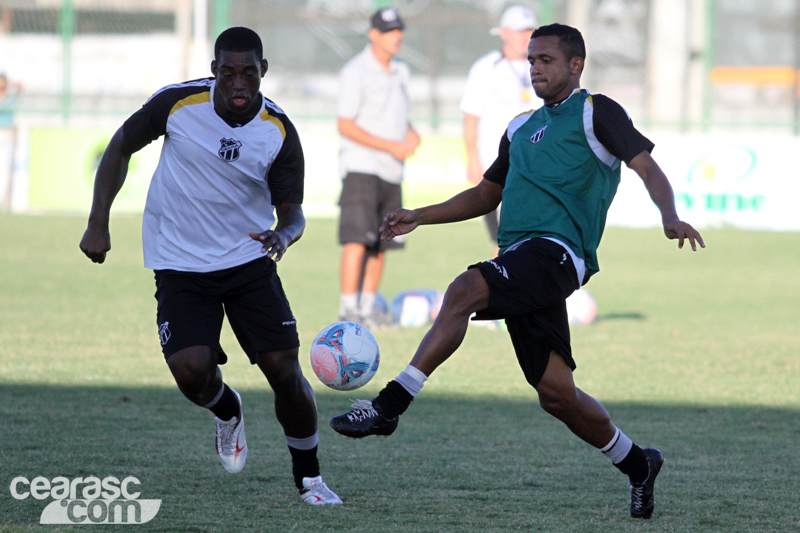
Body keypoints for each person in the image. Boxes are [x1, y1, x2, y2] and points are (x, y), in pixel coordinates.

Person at [330, 23, 706, 519]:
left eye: (546, 60)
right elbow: (486, 195)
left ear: (576, 65)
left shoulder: (596, 111)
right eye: (531, 60)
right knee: (556, 395)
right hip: (523, 259)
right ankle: (639, 463)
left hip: (558, 253)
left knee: (464, 289)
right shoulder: (520, 127)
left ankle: (388, 406)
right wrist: (420, 215)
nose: (535, 68)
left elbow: (646, 166)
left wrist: (669, 214)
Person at [79, 27, 341, 505]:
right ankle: (226, 408)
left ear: (263, 71)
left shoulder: (278, 131)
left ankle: (310, 479)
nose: (238, 83)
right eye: (229, 72)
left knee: (284, 370)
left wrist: (282, 235)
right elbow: (119, 147)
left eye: (249, 73)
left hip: (247, 260)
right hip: (179, 261)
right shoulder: (178, 103)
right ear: (214, 70)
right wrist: (98, 223)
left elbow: (293, 212)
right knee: (191, 372)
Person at [336, 7, 420, 326]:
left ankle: (369, 307)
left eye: (398, 30)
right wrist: (390, 145)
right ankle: (348, 308)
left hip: (392, 170)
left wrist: (412, 135)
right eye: (388, 31)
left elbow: (399, 118)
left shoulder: (401, 71)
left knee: (383, 242)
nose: (395, 36)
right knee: (357, 240)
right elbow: (345, 124)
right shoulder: (355, 71)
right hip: (362, 167)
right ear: (373, 34)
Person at [461, 5, 542, 253]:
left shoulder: (542, 66)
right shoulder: (487, 67)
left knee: (529, 236)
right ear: (504, 33)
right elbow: (471, 117)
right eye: (519, 31)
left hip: (534, 165)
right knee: (506, 238)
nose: (525, 37)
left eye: (529, 31)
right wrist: (472, 160)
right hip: (497, 166)